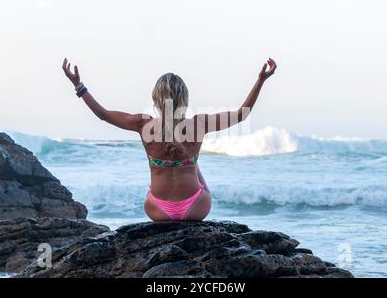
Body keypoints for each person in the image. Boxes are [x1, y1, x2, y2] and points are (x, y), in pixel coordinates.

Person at [62, 57, 276, 221]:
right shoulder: (198, 124)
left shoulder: (144, 124)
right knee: (194, 167)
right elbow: (241, 114)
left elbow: (103, 114)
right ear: (184, 98)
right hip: (196, 207)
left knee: (157, 183)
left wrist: (79, 86)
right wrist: (261, 80)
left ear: (156, 98)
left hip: (157, 210)